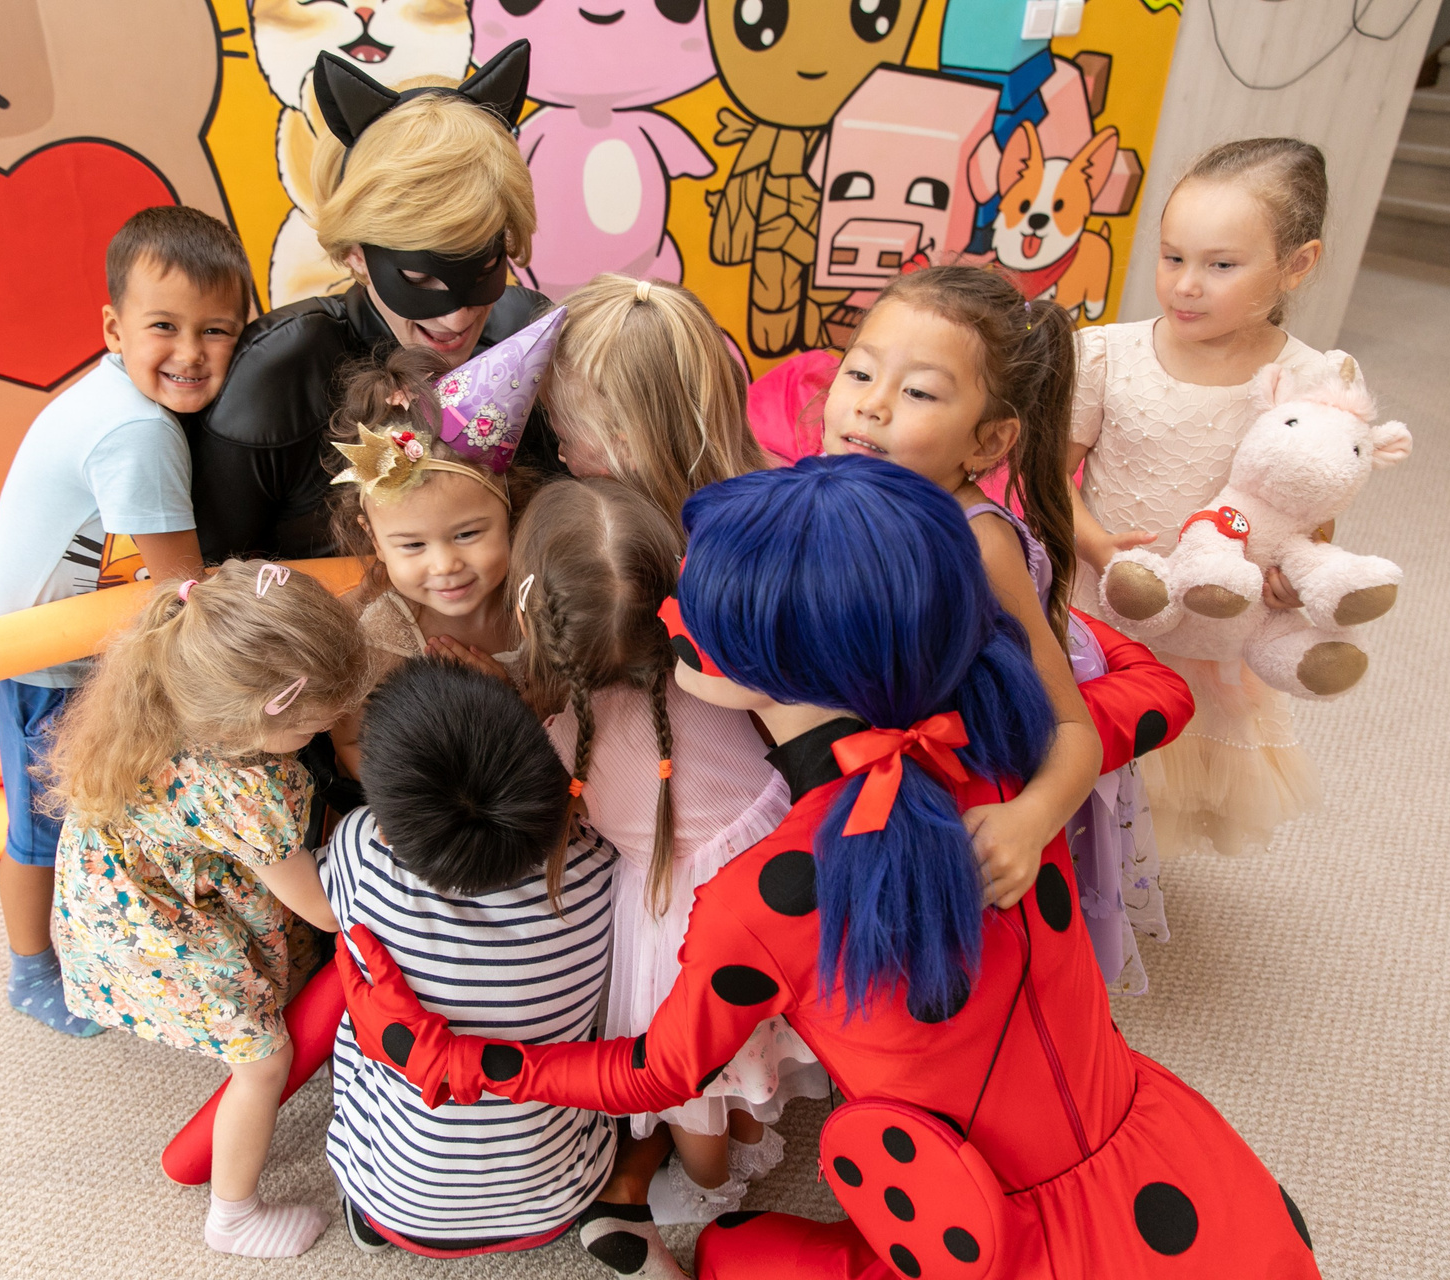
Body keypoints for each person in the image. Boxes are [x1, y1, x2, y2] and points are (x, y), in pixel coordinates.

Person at [338, 457, 1323, 1280]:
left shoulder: (761, 901)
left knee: (729, 1249)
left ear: (728, 667)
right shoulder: (1011, 739)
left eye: (688, 597)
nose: (666, 608)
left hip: (995, 1240)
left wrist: (449, 1059)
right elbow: (1158, 690)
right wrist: (1016, 622)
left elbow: (657, 1071)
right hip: (1175, 1166)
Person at [820, 264, 1169, 992]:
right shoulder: (825, 482)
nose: (872, 405)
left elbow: (1071, 730)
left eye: (918, 392)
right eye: (859, 373)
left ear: (987, 443)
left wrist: (1032, 819)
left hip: (972, 742)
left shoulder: (980, 546)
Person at [0, 207, 249, 1037]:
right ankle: (29, 970)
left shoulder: (118, 393)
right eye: (165, 327)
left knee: (87, 806)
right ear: (114, 329)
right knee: (43, 821)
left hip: (62, 634)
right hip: (35, 655)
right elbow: (185, 591)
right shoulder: (136, 431)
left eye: (216, 331)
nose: (190, 352)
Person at [514, 478, 824, 1232]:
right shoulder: (721, 678)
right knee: (750, 1034)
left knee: (693, 1076)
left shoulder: (561, 744)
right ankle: (753, 1141)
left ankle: (713, 1188)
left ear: (537, 619)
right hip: (775, 869)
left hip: (682, 918)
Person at [43, 563, 368, 1258]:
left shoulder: (172, 691)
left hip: (119, 886)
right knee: (264, 1062)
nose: (335, 724)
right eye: (318, 720)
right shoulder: (248, 791)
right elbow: (323, 910)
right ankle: (233, 1216)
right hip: (155, 931)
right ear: (263, 715)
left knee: (277, 976)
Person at [1069, 138, 1344, 859]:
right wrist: (1096, 546)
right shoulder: (1107, 355)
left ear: (1297, 265)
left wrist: (1298, 567)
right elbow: (1049, 478)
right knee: (1075, 746)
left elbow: (1313, 499)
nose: (1186, 285)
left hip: (1215, 622)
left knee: (1161, 782)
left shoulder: (1311, 379)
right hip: (1099, 603)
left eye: (1221, 265)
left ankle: (1124, 874)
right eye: (1172, 257)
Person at [187, 41, 565, 565]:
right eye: (417, 278)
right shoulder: (281, 373)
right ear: (355, 254)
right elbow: (201, 581)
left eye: (483, 271)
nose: (457, 317)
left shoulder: (526, 335)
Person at [323, 657, 621, 1257]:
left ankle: (372, 1217)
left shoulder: (363, 853)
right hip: (557, 1203)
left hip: (397, 1205)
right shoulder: (599, 868)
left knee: (355, 1024)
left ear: (386, 827)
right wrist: (513, 699)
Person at [325, 308, 563, 771]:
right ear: (374, 539)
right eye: (413, 545)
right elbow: (353, 745)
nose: (445, 565)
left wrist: (510, 702)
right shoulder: (379, 640)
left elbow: (578, 726)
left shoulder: (544, 611)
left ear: (511, 513)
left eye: (467, 534)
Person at [544, 274, 767, 533]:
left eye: (566, 438)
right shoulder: (761, 514)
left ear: (629, 447)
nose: (560, 452)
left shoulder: (628, 546)